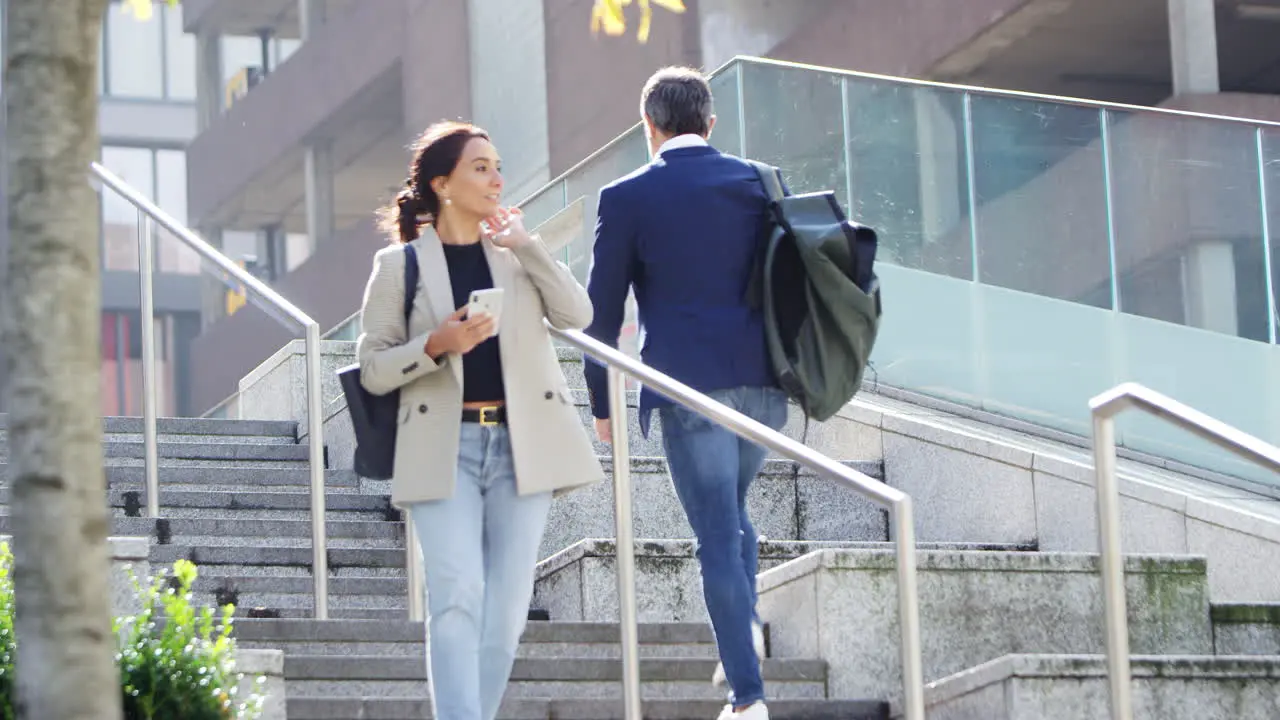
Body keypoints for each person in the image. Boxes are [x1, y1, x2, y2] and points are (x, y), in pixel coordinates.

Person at [357, 121, 603, 720]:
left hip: (524, 449)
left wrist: (529, 245)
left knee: (506, 615)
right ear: (442, 183)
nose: (497, 178)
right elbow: (371, 369)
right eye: (480, 167)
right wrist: (436, 344)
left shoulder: (516, 255)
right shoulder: (400, 266)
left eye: (497, 165)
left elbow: (578, 313)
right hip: (445, 447)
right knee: (457, 595)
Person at [583, 67, 788, 720]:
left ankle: (747, 697)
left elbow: (602, 312)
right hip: (765, 390)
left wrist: (600, 401)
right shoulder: (760, 182)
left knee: (716, 538)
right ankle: (744, 627)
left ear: (651, 127)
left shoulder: (626, 197)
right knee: (729, 513)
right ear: (710, 122)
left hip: (688, 390)